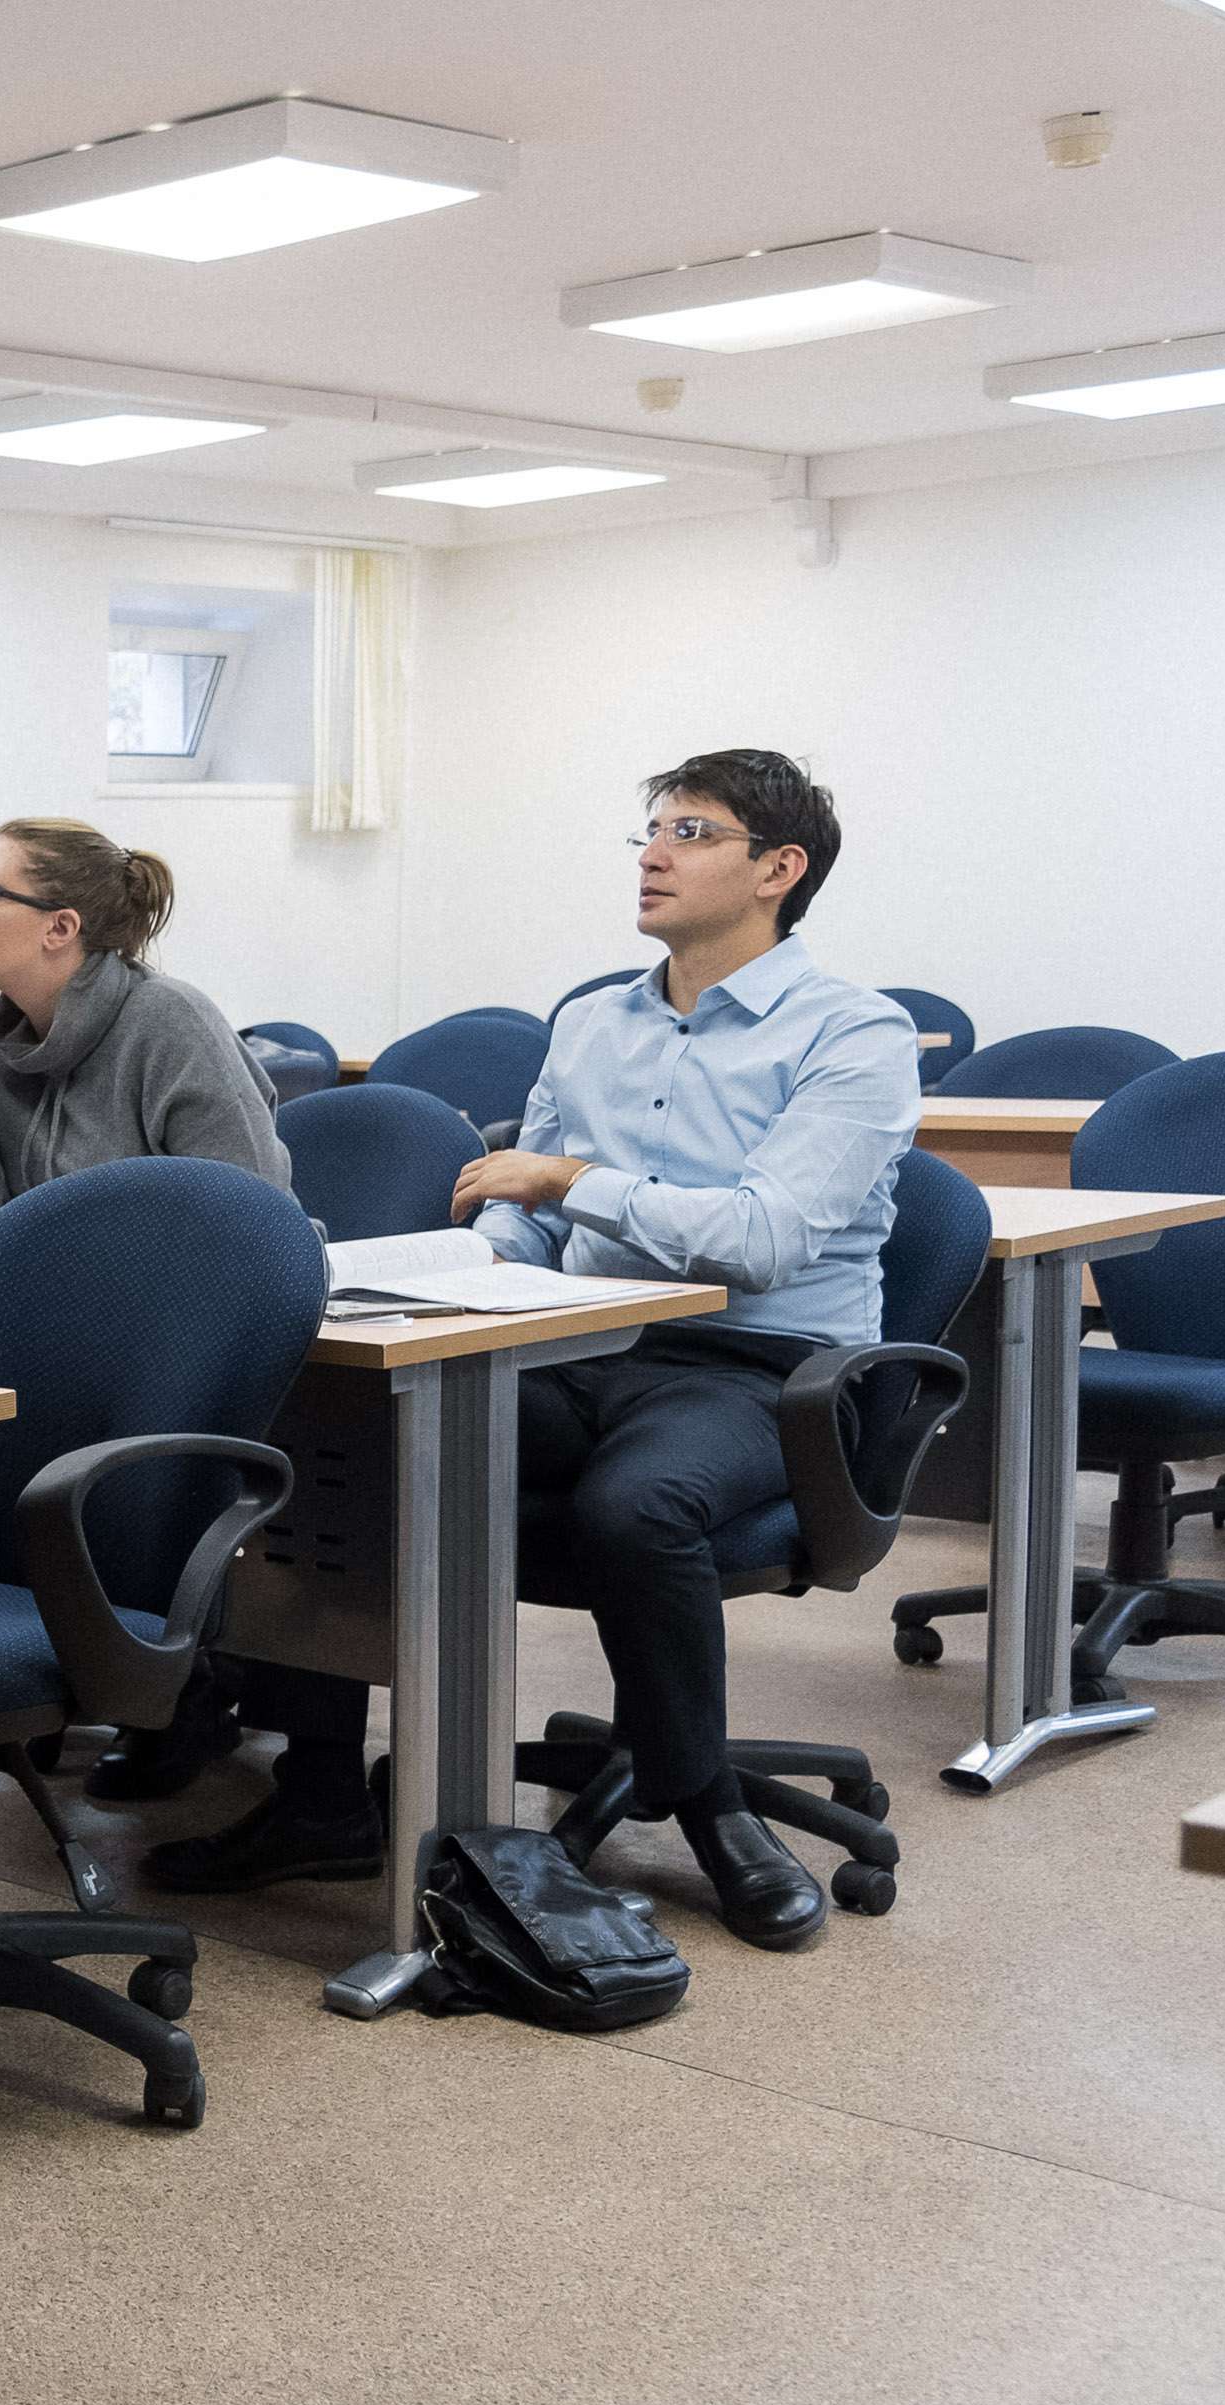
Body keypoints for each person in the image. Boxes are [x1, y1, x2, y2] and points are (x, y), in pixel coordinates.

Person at [152, 750, 920, 1950]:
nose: (654, 854)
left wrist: (566, 1180)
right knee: (336, 1442)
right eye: (651, 831)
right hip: (573, 1343)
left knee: (637, 1506)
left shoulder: (855, 1032)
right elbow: (527, 1220)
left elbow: (764, 1239)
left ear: (781, 869)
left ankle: (709, 1809)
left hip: (759, 1363)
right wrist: (472, 1265)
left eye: (692, 832)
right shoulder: (593, 1021)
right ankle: (318, 1795)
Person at [0, 819, 285, 1240]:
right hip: (47, 1282)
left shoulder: (171, 1021)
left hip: (193, 1280)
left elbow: (256, 1228)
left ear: (59, 928)